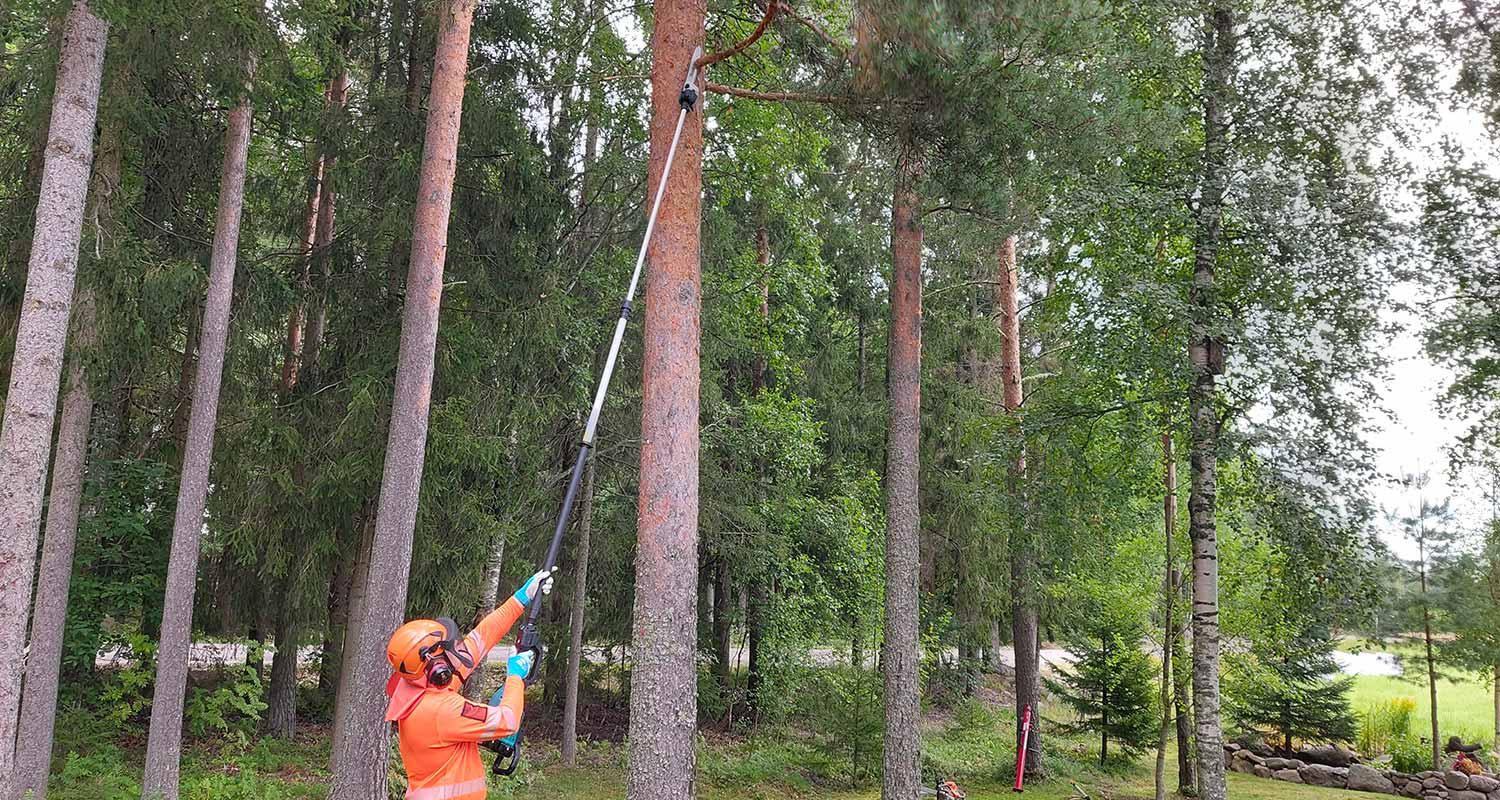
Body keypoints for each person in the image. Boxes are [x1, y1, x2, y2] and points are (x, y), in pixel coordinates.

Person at [385, 568, 555, 800]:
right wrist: (516, 675)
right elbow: (508, 721)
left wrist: (522, 597)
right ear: (436, 667)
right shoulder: (443, 710)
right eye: (450, 647)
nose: (458, 647)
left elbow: (480, 640)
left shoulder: (419, 689)